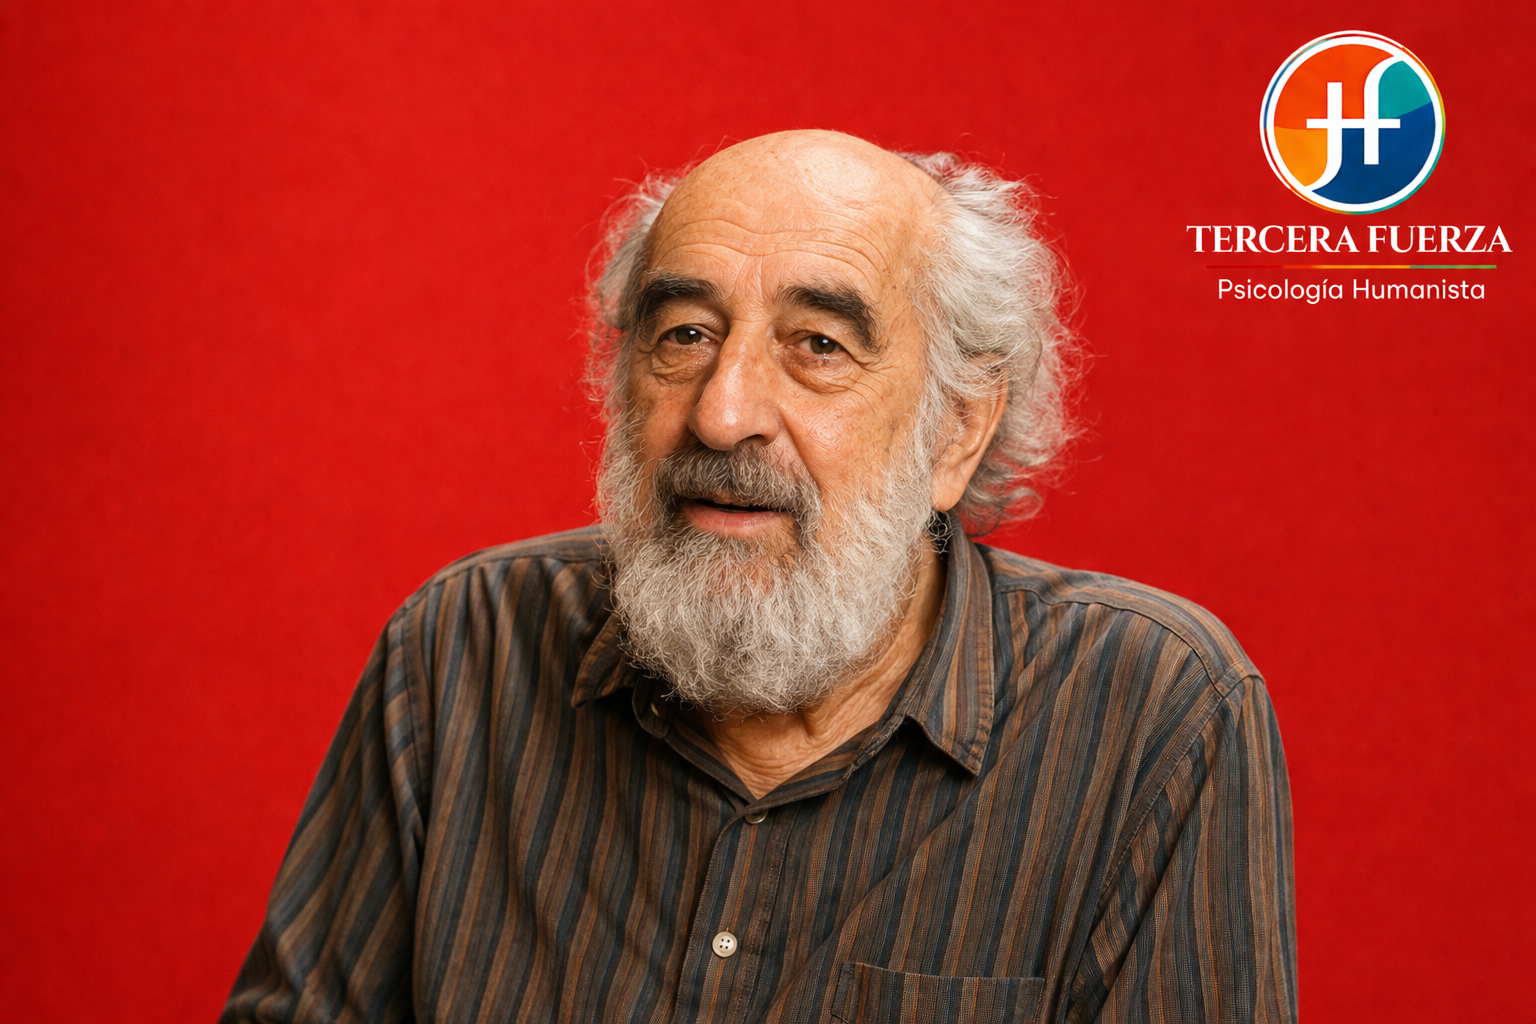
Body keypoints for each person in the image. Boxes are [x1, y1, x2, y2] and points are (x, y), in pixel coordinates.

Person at [223, 130, 1296, 1024]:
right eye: (685, 334)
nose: (723, 411)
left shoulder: (1158, 713)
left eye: (818, 346)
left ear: (957, 430)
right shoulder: (462, 648)